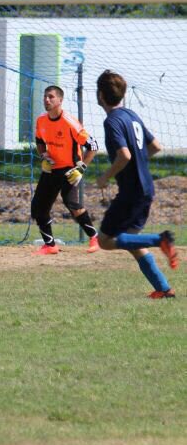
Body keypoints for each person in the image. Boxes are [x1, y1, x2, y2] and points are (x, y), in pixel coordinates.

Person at [92, 70, 178, 299]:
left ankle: (160, 239)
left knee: (105, 241)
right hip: (146, 187)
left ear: (100, 95)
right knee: (131, 240)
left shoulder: (112, 121)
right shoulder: (131, 115)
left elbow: (124, 155)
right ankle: (164, 289)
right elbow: (156, 146)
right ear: (122, 94)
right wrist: (139, 162)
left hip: (131, 191)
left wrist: (105, 177)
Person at [31, 85, 100, 255]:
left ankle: (95, 237)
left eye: (51, 97)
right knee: (38, 207)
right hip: (51, 169)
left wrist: (81, 168)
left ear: (60, 100)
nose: (47, 100)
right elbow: (39, 141)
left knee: (72, 205)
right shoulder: (41, 120)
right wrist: (44, 156)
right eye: (45, 96)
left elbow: (93, 146)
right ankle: (50, 245)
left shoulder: (70, 122)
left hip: (70, 170)